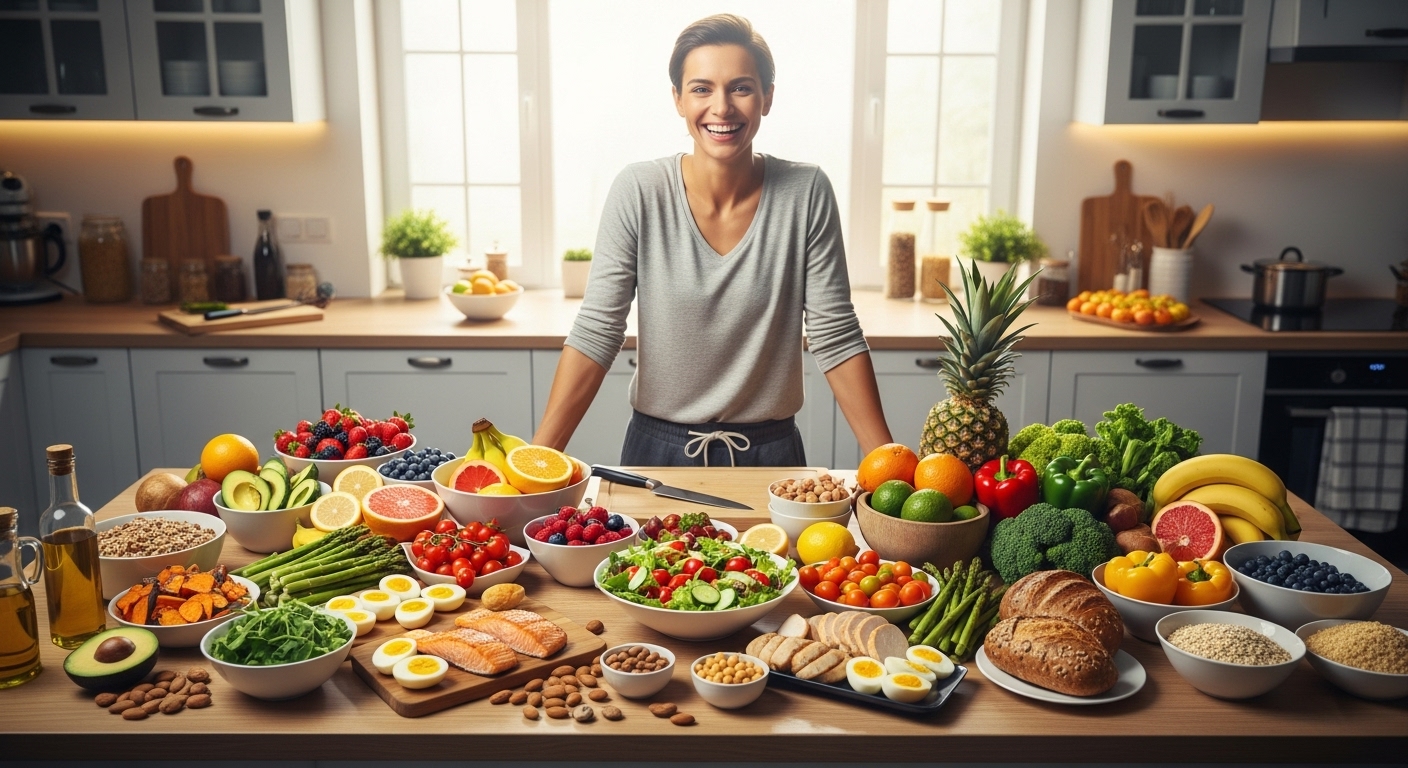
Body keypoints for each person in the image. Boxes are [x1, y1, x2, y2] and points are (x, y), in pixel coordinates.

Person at [533, 13, 892, 467]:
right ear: (678, 100)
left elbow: (835, 333)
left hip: (772, 455)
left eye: (740, 87)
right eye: (701, 88)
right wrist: (535, 463)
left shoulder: (806, 191)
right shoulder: (640, 190)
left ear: (767, 98)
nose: (722, 107)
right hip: (655, 453)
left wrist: (887, 463)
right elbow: (598, 329)